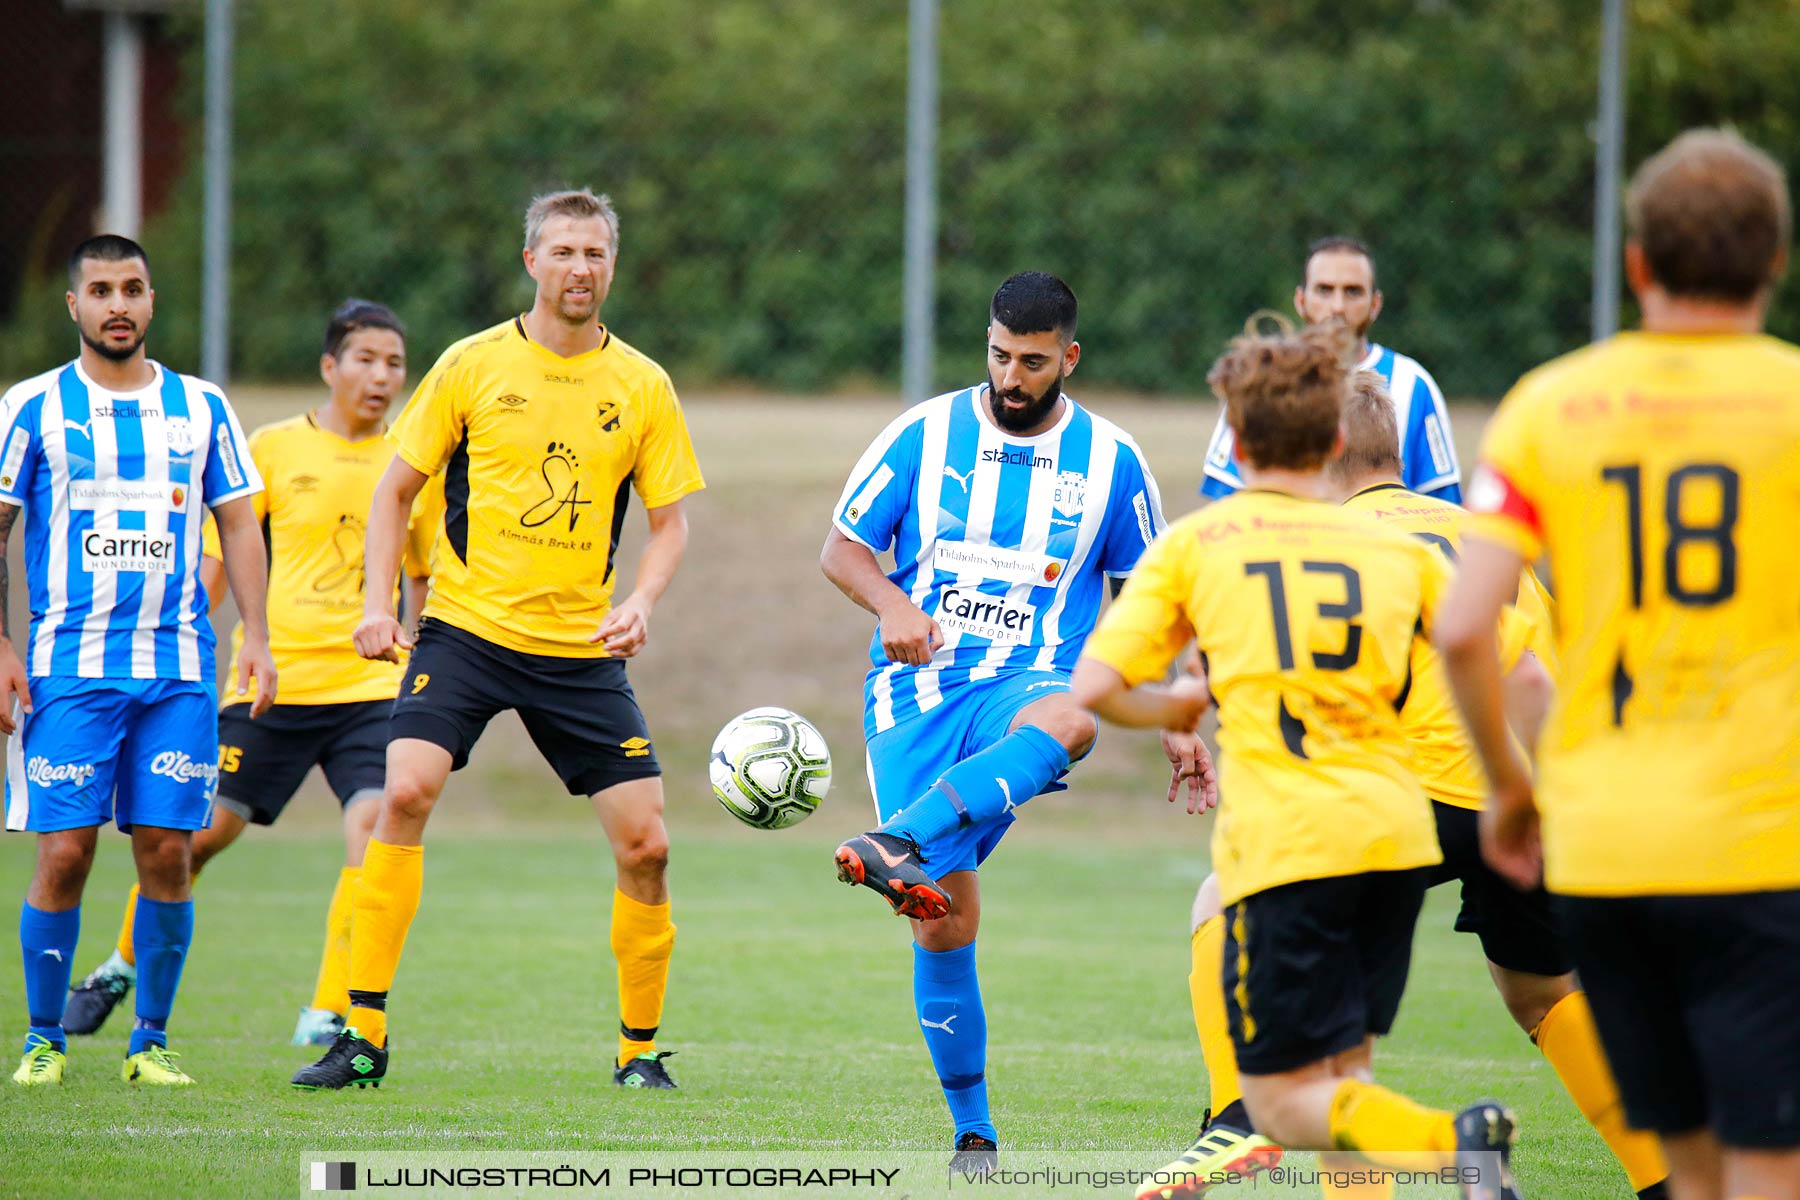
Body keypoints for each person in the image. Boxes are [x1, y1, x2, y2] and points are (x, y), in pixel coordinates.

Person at [1139, 372, 1669, 1200]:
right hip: (1515, 791)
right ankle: (1662, 1178)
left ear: (1329, 451)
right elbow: (1538, 668)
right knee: (1543, 991)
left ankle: (1234, 1116)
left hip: (1396, 794)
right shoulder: (1480, 533)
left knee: (1231, 912)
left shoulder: (1333, 539)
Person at [1073, 321, 1526, 1200]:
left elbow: (1096, 684)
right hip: (1398, 836)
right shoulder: (1393, 548)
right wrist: (1510, 785)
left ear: (1235, 441)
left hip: (1290, 848)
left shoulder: (1200, 543)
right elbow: (1476, 648)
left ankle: (1453, 1142)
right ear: (1330, 443)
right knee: (1343, 1078)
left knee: (1279, 1106)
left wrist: (1176, 706)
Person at [1440, 129, 1800, 1200]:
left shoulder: (1550, 405)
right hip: (1758, 840)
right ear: (1774, 263)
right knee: (1771, 1168)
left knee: (1687, 1174)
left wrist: (1509, 792)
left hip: (1604, 846)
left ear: (1638, 265)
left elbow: (1466, 628)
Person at [292, 188, 704, 1092]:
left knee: (649, 848)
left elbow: (671, 523)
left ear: (612, 265)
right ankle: (362, 1033)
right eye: (563, 252)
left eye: (595, 254)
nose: (580, 269)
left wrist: (642, 600)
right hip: (467, 630)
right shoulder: (472, 364)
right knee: (404, 792)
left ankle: (639, 1053)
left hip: (580, 648)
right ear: (532, 262)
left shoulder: (642, 384)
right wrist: (377, 605)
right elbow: (395, 489)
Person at [824, 271, 1179, 1168]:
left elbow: (1148, 599)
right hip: (916, 698)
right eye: (997, 355)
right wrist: (890, 607)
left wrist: (1178, 718)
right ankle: (973, 1133)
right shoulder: (926, 432)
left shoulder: (1113, 460)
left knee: (1075, 718)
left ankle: (893, 839)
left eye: (1029, 362)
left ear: (1069, 357)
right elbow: (843, 548)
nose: (1009, 378)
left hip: (1028, 688)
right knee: (943, 921)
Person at [59, 300, 440, 1049]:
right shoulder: (270, 448)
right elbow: (221, 559)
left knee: (374, 829)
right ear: (330, 367)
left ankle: (330, 1009)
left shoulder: (410, 462)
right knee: (194, 842)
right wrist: (182, 644)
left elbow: (421, 577)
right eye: (366, 359)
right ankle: (117, 968)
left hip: (370, 687)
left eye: (395, 363)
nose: (382, 376)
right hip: (275, 684)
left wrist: (422, 656)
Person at [5, 234, 274, 1087]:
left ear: (152, 302)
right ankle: (43, 1039)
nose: (117, 304)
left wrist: (258, 638)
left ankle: (149, 1041)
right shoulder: (33, 407)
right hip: (69, 669)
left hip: (179, 670)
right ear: (74, 306)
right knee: (65, 853)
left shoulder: (202, 408)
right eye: (100, 290)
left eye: (132, 289)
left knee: (167, 849)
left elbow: (238, 523)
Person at [1199, 238, 1461, 502]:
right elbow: (1224, 501)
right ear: (1301, 300)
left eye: (1353, 292)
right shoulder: (1262, 378)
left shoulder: (1412, 383)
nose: (1337, 306)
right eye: (1324, 290)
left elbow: (1441, 508)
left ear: (1375, 304)